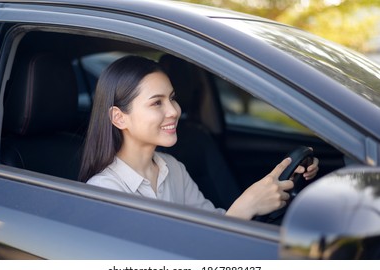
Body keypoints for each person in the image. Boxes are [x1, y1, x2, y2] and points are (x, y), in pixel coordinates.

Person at [79, 55, 319, 220]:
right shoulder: (105, 191)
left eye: (172, 98)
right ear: (119, 118)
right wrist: (243, 207)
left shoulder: (172, 168)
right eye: (157, 103)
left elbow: (211, 227)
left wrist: (275, 188)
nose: (174, 111)